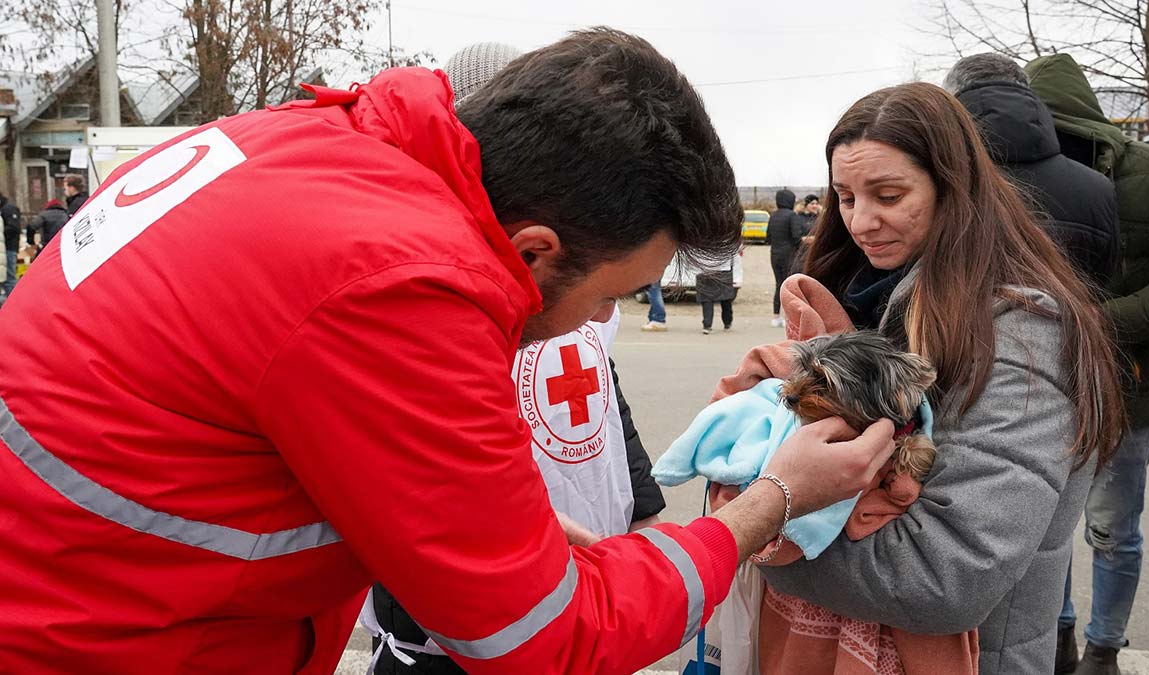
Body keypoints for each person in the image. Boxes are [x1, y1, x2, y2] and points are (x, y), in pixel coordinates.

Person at [0, 28, 896, 674]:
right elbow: (550, 640)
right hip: (121, 638)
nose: (598, 321)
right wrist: (772, 501)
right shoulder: (399, 284)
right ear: (537, 248)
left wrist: (509, 527)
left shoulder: (315, 147)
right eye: (608, 295)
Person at [747, 82, 1123, 675]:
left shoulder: (1021, 333)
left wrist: (749, 528)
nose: (861, 222)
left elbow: (946, 574)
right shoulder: (853, 299)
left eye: (889, 195)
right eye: (844, 198)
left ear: (954, 187)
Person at [368, 310, 667, 674]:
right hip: (459, 625)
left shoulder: (581, 310)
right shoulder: (445, 313)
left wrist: (643, 517)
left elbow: (606, 407)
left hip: (587, 597)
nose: (606, 312)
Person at [1025, 53, 1149, 675]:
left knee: (1113, 530)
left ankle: (1105, 647)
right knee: (1050, 530)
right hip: (1041, 390)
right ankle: (1061, 638)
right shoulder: (1015, 177)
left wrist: (1100, 325)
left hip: (1127, 386)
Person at [944, 53, 1119, 291]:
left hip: (954, 327)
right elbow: (1104, 279)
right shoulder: (1098, 187)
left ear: (952, 98)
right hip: (1068, 324)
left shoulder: (938, 181)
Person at [767, 189, 804, 326]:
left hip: (774, 254)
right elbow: (796, 237)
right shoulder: (792, 216)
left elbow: (768, 238)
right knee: (790, 285)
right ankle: (790, 318)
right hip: (789, 254)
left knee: (778, 283)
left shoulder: (773, 216)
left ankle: (776, 317)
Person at [697, 249, 739, 334]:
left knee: (707, 297)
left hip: (705, 266)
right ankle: (727, 322)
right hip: (724, 266)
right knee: (725, 298)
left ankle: (707, 325)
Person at [0, 191, 20, 305]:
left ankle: (14, 303)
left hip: (9, 248)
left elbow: (14, 228)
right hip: (5, 248)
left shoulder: (8, 209)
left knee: (9, 278)